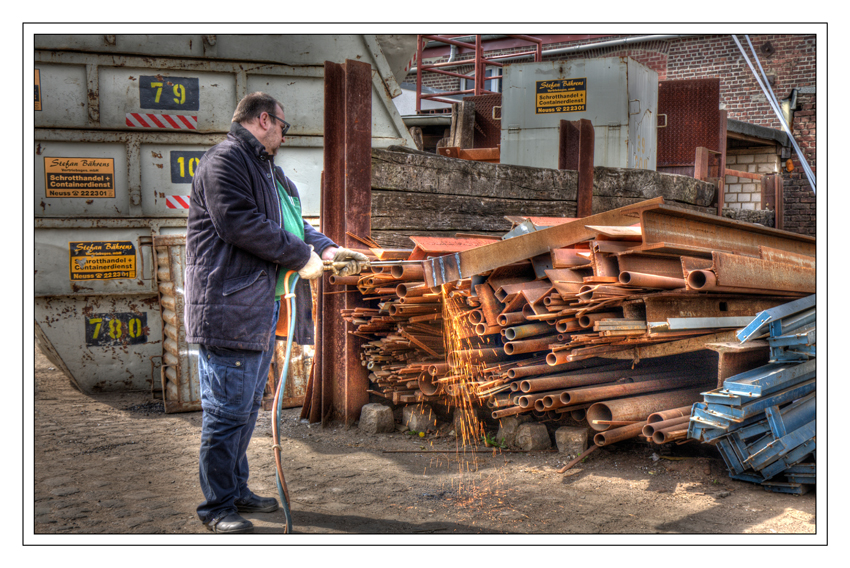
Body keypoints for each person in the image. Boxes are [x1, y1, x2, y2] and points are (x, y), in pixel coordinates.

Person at [184, 92, 368, 533]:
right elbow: (238, 223)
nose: (284, 136)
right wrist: (300, 256)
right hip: (227, 307)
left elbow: (294, 224)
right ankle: (217, 506)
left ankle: (237, 490)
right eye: (283, 127)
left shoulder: (270, 171)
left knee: (246, 408)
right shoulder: (224, 162)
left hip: (256, 308)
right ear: (264, 119)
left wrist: (328, 248)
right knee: (226, 411)